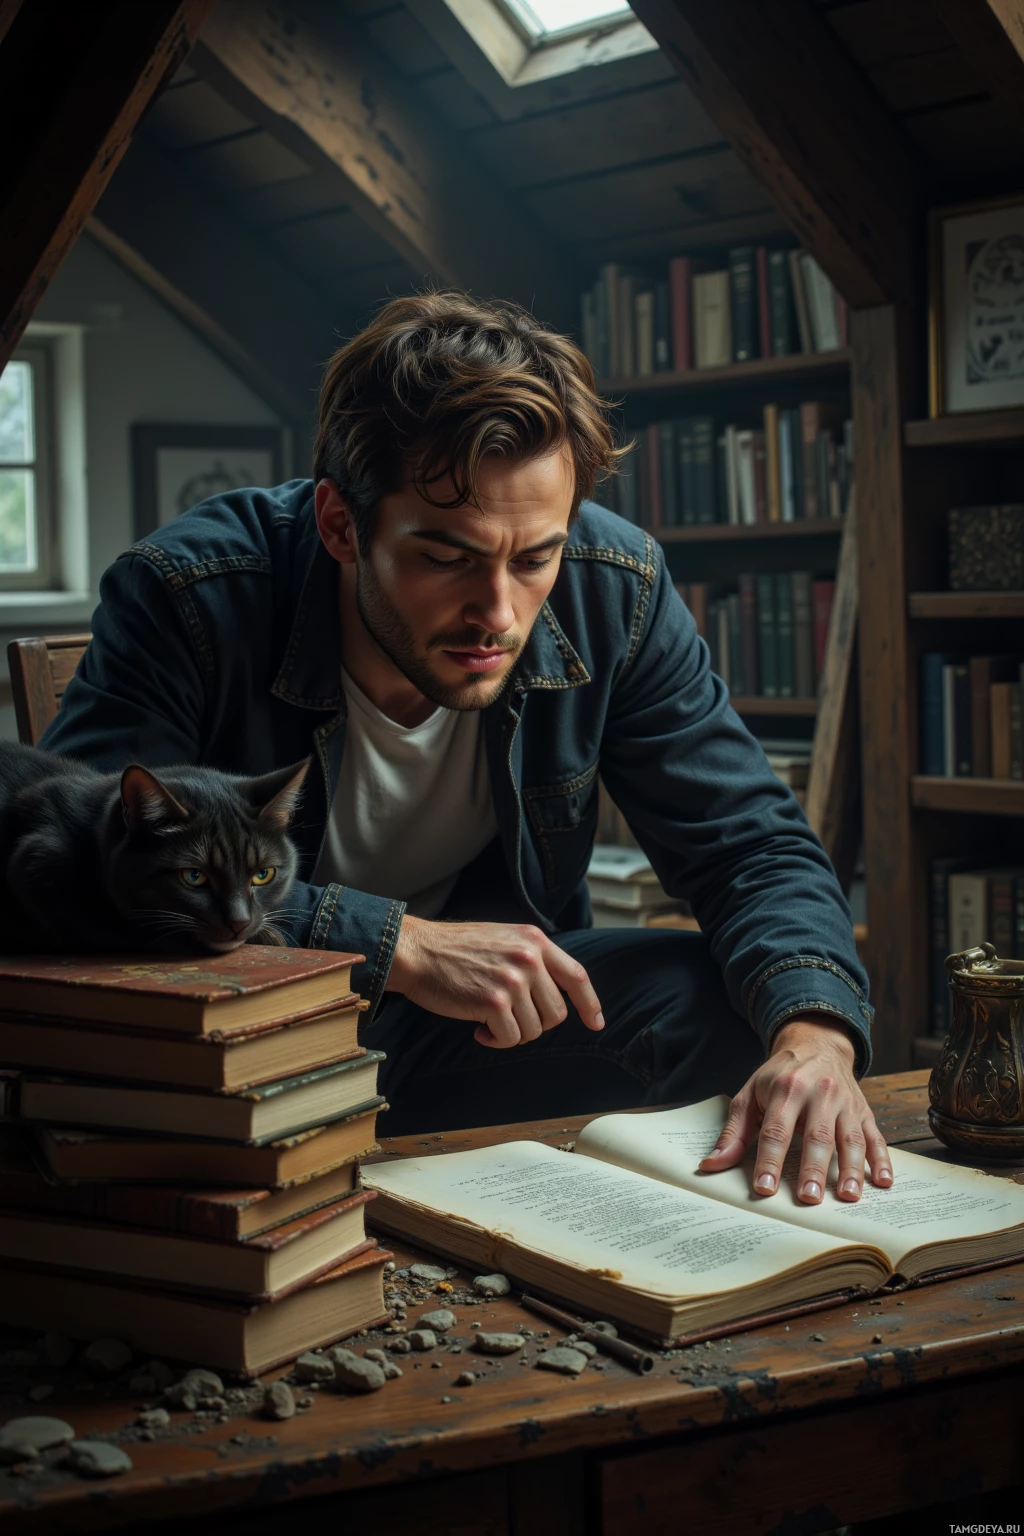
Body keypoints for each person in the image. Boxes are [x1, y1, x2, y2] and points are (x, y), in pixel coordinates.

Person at [42, 290, 893, 1205]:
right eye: (448, 558)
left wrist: (816, 1037)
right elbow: (73, 868)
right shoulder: (192, 593)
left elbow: (751, 847)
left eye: (534, 560)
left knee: (725, 999)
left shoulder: (616, 588)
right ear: (340, 524)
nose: (498, 613)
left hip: (476, 1042)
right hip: (235, 1044)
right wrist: (397, 946)